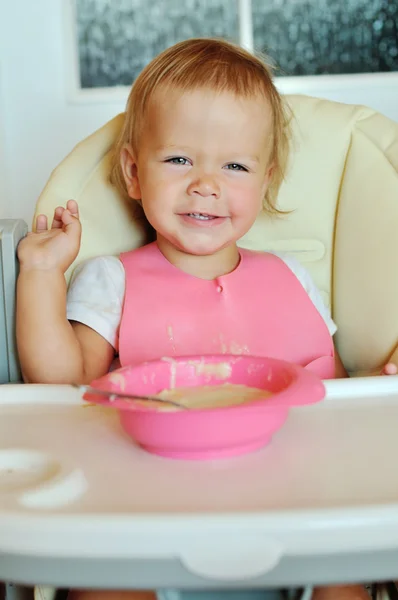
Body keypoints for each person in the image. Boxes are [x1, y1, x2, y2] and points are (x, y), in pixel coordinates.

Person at [16, 38, 396, 600]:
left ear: (265, 182)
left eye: (235, 165)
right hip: (145, 523)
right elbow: (57, 385)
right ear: (133, 173)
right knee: (104, 588)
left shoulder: (293, 278)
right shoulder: (111, 280)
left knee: (344, 585)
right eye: (178, 159)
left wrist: (383, 383)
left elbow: (329, 405)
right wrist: (42, 273)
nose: (206, 183)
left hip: (291, 517)